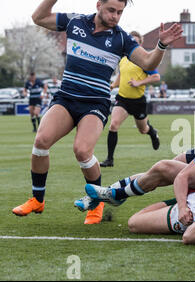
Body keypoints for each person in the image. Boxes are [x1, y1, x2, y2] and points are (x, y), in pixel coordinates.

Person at [12, 0, 182, 225]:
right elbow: (38, 18)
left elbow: (149, 61)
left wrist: (161, 45)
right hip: (67, 97)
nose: (115, 16)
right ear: (98, 5)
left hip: (95, 102)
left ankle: (98, 202)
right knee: (41, 141)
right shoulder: (75, 22)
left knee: (82, 151)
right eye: (111, 10)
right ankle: (37, 199)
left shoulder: (121, 38)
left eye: (120, 12)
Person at [75, 142, 195, 226]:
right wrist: (182, 207)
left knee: (162, 168)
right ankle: (114, 194)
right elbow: (181, 178)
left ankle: (113, 193)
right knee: (160, 171)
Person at [100, 31, 161, 168]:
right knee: (113, 125)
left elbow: (156, 77)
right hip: (122, 99)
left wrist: (140, 83)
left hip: (138, 101)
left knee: (143, 129)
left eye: (136, 41)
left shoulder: (145, 59)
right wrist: (112, 86)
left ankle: (152, 132)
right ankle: (110, 159)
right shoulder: (123, 59)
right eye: (131, 40)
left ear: (140, 43)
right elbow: (121, 75)